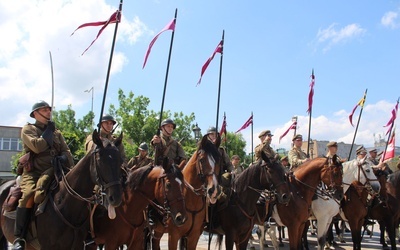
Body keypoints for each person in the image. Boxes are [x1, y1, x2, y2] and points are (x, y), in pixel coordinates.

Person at [13, 101, 74, 250]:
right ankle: (19, 237)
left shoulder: (56, 132)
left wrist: (64, 158)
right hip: (34, 172)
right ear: (35, 114)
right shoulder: (28, 129)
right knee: (28, 195)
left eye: (49, 110)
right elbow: (37, 146)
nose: (48, 112)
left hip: (56, 170)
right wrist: (48, 132)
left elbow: (67, 152)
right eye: (44, 110)